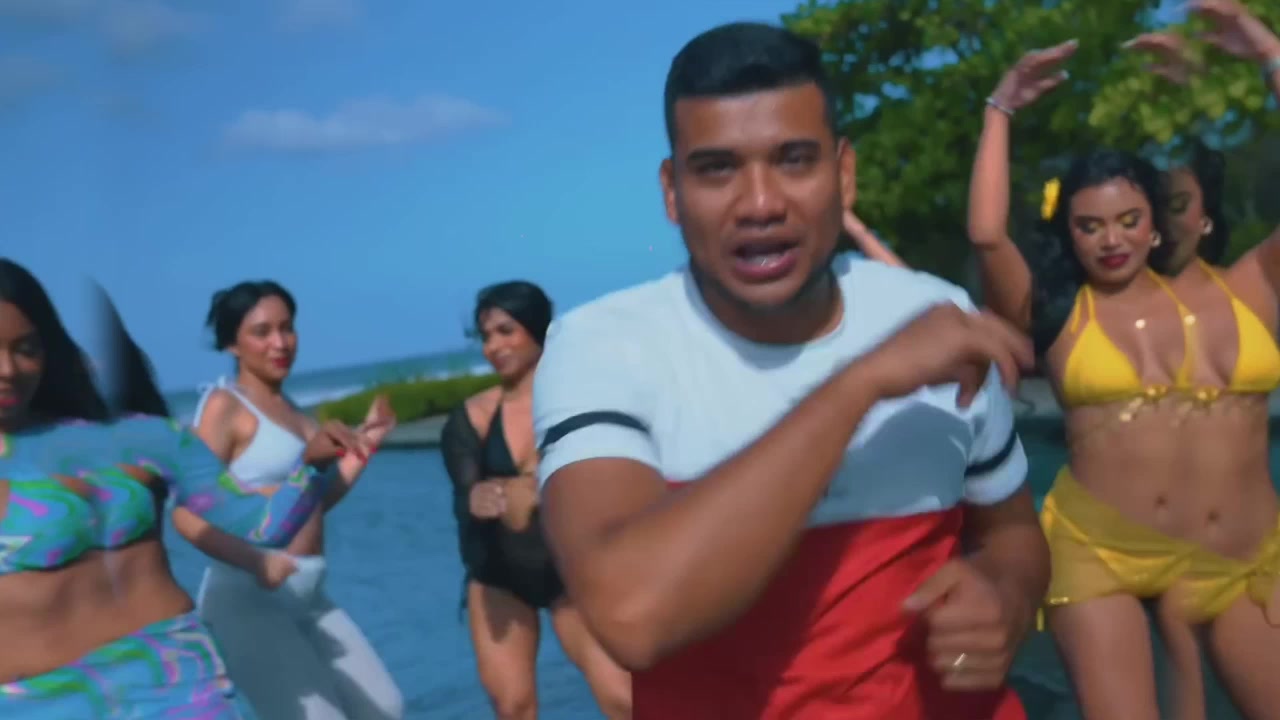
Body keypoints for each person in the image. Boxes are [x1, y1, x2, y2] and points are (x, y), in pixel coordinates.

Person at [530, 23, 1045, 720]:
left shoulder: (936, 315)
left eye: (794, 160)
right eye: (718, 169)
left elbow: (1012, 534)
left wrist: (1004, 596)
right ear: (672, 192)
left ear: (844, 173)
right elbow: (633, 616)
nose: (761, 204)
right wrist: (859, 384)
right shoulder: (603, 347)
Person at [969, 5, 1280, 717]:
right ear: (1071, 234)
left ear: (1157, 225)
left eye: (1129, 220)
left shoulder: (1248, 289)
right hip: (1101, 550)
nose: (1110, 240)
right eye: (1089, 226)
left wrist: (1269, 52)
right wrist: (1000, 107)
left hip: (1245, 551)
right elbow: (987, 235)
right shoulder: (1058, 309)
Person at [0, 259, 328, 718]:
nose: (8, 369)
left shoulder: (137, 437)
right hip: (41, 704)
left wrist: (312, 467)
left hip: (177, 683)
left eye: (26, 348)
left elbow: (262, 527)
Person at [190, 280, 405, 720]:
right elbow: (192, 513)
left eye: (287, 328)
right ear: (232, 344)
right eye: (262, 332)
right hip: (248, 598)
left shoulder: (292, 409)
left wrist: (366, 444)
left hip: (309, 592)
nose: (280, 342)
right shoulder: (223, 406)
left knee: (385, 708)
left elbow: (312, 501)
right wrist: (256, 562)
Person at [440, 281, 630, 720]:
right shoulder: (473, 416)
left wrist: (541, 487)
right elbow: (465, 493)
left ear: (538, 329)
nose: (493, 346)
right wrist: (479, 497)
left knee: (623, 698)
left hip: (571, 569)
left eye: (506, 331)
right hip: (499, 573)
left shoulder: (582, 399)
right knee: (513, 706)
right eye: (486, 336)